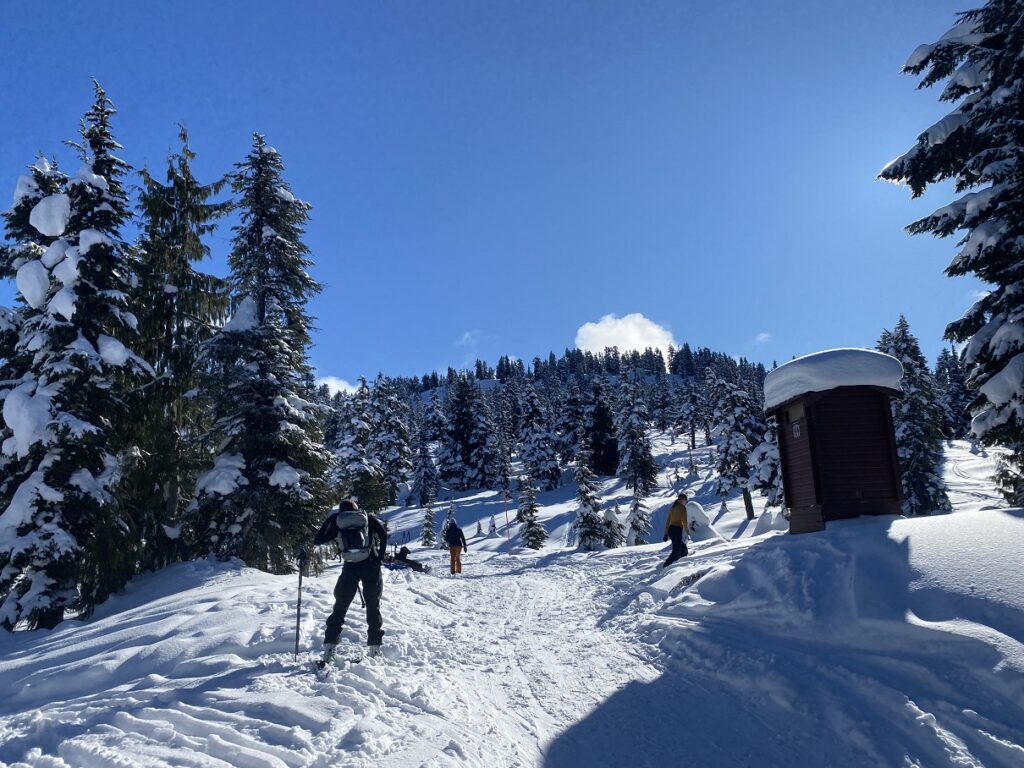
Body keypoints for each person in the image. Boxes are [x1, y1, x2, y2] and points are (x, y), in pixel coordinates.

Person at [314, 499, 388, 664]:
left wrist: (330, 519)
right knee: (373, 605)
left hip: (350, 568)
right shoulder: (366, 517)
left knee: (340, 606)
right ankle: (375, 649)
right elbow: (383, 534)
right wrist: (380, 557)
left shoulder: (338, 522)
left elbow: (318, 540)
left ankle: (330, 648)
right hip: (371, 565)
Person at [662, 492, 690, 568]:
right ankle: (665, 567)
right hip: (676, 530)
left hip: (671, 530)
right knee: (677, 550)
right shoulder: (682, 508)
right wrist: (687, 532)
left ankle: (678, 565)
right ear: (682, 499)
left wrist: (666, 534)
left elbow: (668, 521)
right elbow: (684, 521)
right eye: (685, 500)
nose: (686, 502)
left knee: (683, 549)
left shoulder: (673, 508)